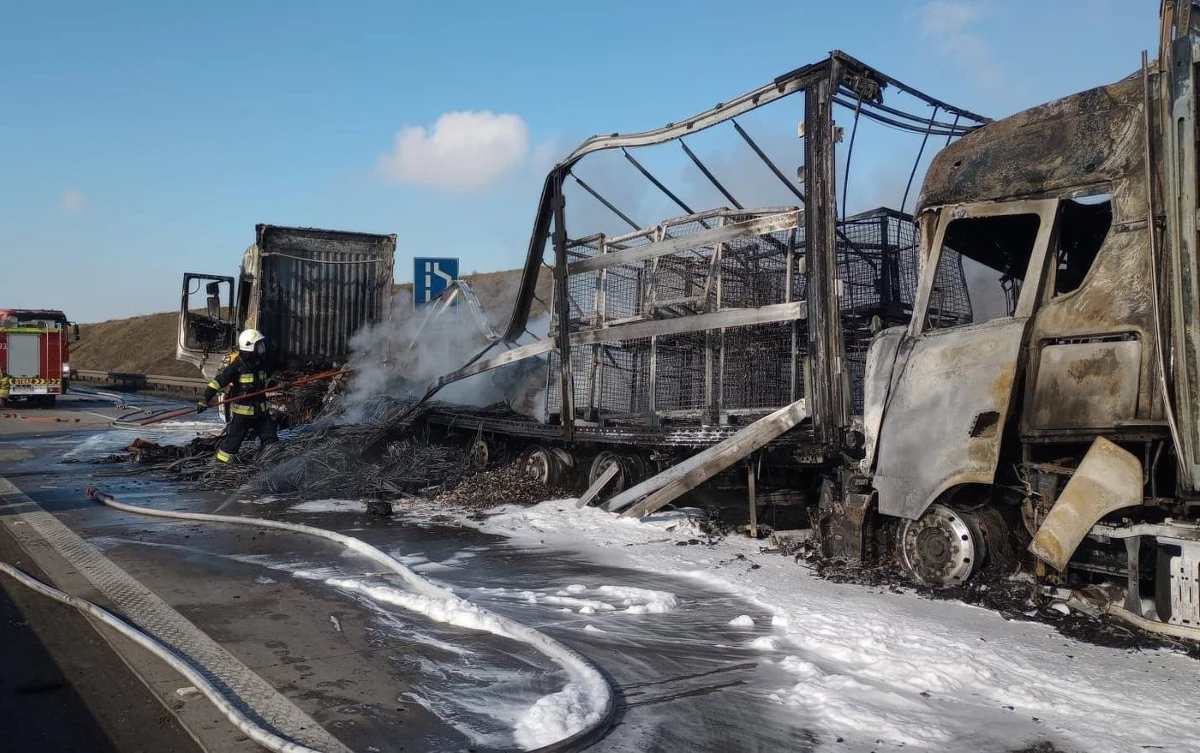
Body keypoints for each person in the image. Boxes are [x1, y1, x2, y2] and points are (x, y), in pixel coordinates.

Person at [196, 329, 289, 463]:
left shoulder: (260, 364)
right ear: (250, 346)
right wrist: (205, 399)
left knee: (270, 439)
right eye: (258, 345)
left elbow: (265, 383)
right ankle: (221, 465)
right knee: (232, 443)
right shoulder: (237, 366)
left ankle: (270, 463)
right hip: (242, 415)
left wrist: (280, 385)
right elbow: (217, 382)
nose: (262, 348)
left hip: (261, 413)